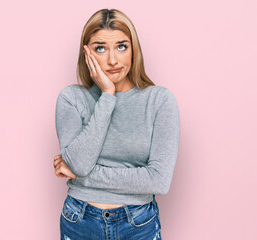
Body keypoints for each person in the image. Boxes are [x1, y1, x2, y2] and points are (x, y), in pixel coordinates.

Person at [54, 8, 180, 240]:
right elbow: (80, 163)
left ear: (134, 50)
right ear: (86, 53)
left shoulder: (159, 101)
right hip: (79, 221)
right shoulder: (71, 99)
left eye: (122, 46)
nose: (112, 60)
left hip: (138, 224)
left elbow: (159, 181)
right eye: (100, 48)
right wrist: (108, 95)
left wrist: (80, 176)